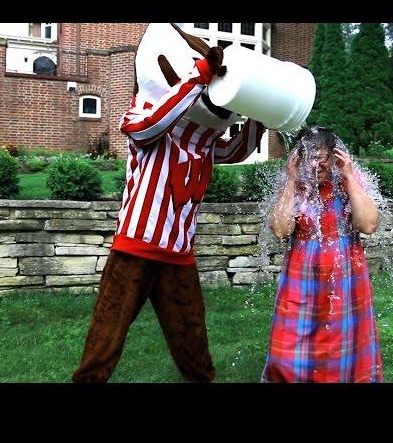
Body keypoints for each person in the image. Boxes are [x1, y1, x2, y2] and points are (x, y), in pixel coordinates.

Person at [72, 24, 265, 383]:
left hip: (179, 251)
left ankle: (201, 378)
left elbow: (235, 150)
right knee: (108, 330)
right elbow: (148, 128)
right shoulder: (140, 114)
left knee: (191, 331)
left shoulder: (202, 138)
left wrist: (260, 111)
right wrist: (197, 77)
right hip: (136, 246)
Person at [261, 127, 383, 383]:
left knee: (342, 343)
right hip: (301, 279)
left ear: (334, 156)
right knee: (290, 342)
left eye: (322, 157)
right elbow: (282, 230)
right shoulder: (294, 184)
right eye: (309, 158)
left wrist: (349, 177)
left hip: (345, 277)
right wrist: (292, 182)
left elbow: (369, 225)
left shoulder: (349, 181)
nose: (315, 165)